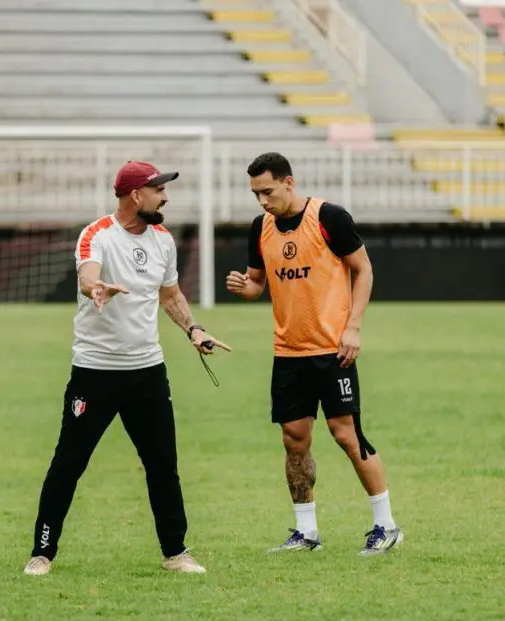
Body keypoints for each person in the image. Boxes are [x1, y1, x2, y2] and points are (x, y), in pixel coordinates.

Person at [23, 160, 230, 577]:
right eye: (158, 190)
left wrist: (194, 329)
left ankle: (176, 552)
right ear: (136, 195)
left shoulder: (163, 241)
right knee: (69, 463)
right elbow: (88, 277)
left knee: (162, 465)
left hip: (147, 372)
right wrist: (96, 288)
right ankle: (42, 553)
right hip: (95, 372)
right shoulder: (96, 234)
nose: (165, 197)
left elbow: (170, 296)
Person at [225, 152, 403, 556]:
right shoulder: (260, 228)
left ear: (289, 182)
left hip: (332, 350)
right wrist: (243, 287)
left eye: (267, 191)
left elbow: (363, 269)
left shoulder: (329, 217)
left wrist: (353, 327)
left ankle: (387, 525)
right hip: (288, 353)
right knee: (294, 441)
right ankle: (306, 532)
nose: (262, 201)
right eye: (255, 194)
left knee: (346, 434)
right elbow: (257, 284)